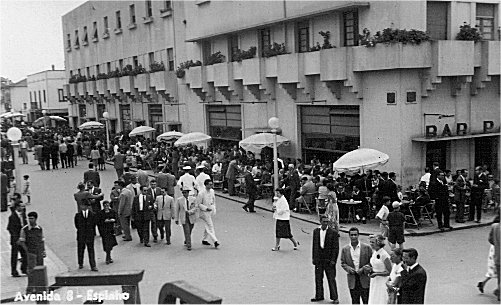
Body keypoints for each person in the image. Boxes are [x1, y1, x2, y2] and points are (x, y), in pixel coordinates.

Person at [311, 215, 339, 303]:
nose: (326, 223)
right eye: (324, 221)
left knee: (331, 278)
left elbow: (335, 248)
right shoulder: (316, 231)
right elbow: (314, 245)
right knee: (318, 278)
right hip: (319, 259)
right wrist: (314, 258)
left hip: (329, 259)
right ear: (320, 222)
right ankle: (319, 295)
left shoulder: (333, 232)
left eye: (327, 222)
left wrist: (333, 260)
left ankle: (334, 297)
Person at [340, 227, 372, 304]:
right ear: (349, 236)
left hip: (364, 277)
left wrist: (364, 268)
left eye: (355, 235)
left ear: (358, 235)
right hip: (352, 278)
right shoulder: (345, 249)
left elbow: (371, 261)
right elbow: (343, 262)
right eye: (352, 235)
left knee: (366, 300)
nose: (353, 237)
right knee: (355, 301)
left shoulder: (366, 247)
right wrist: (348, 268)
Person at [367, 234, 392, 305]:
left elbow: (389, 271)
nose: (371, 244)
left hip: (382, 281)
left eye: (373, 242)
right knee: (374, 298)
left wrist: (377, 274)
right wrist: (370, 269)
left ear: (378, 243)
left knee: (381, 299)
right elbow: (375, 265)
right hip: (374, 281)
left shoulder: (384, 255)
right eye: (370, 242)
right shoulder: (375, 252)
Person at [74, 201, 98, 271]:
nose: (82, 207)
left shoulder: (92, 215)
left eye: (84, 206)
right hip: (81, 235)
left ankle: (93, 265)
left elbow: (94, 224)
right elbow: (77, 225)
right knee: (81, 249)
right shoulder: (77, 215)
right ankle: (80, 263)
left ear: (87, 207)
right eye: (81, 206)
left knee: (91, 250)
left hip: (90, 235)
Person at [197, 179, 220, 248]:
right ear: (205, 185)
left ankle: (205, 239)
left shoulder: (212, 191)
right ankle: (215, 240)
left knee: (207, 225)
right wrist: (206, 208)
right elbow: (198, 204)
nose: (211, 186)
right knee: (210, 225)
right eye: (209, 184)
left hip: (210, 210)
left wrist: (213, 208)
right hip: (204, 211)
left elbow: (213, 200)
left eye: (211, 184)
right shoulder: (201, 193)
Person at [7, 201, 27, 277]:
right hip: (16, 240)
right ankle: (14, 271)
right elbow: (10, 229)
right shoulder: (12, 217)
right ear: (17, 207)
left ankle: (24, 269)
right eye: (21, 206)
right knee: (14, 256)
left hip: (22, 238)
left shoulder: (23, 215)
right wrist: (16, 239)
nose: (23, 208)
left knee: (25, 254)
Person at [488, 212, 500, 301]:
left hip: (497, 256)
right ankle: (499, 290)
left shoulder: (495, 226)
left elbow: (490, 239)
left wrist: (496, 244)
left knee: (500, 276)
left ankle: (499, 293)